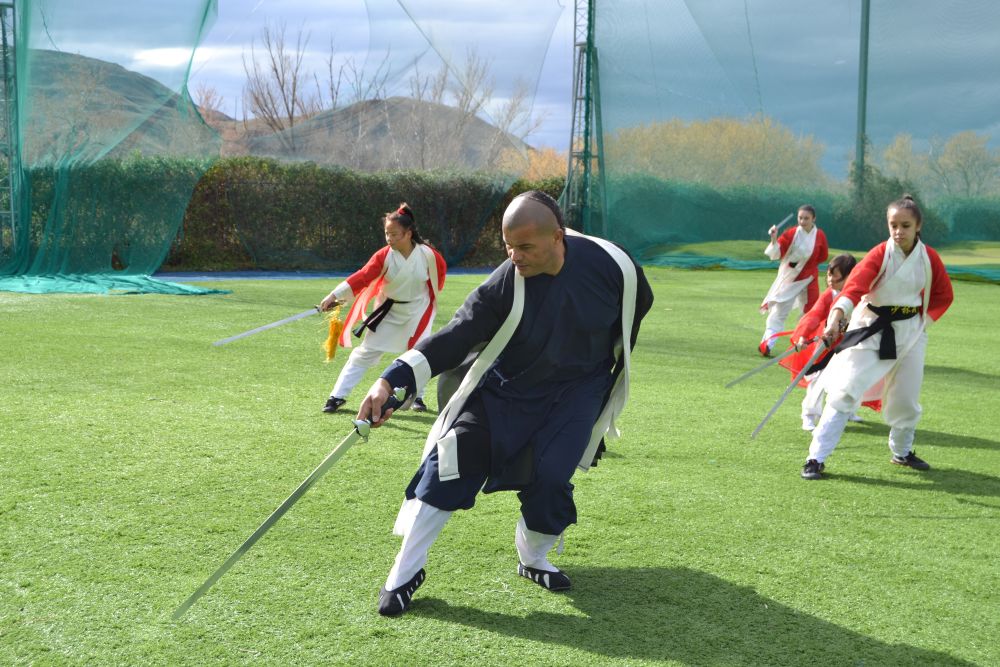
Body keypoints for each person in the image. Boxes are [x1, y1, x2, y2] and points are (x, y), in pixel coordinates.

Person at [356, 190, 654, 616]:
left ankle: (533, 558)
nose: (515, 256)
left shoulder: (616, 267)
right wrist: (390, 381)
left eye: (526, 247)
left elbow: (636, 308)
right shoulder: (505, 281)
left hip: (575, 393)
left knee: (552, 478)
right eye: (508, 246)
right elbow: (457, 334)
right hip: (505, 389)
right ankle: (405, 571)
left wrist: (598, 371)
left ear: (559, 237)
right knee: (451, 458)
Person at [801, 195, 953, 480]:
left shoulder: (929, 258)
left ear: (918, 225)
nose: (899, 231)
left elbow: (945, 295)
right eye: (893, 225)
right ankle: (815, 457)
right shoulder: (880, 254)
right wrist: (836, 317)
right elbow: (854, 288)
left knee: (906, 399)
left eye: (905, 225)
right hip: (870, 327)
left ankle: (902, 451)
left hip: (911, 332)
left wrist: (923, 323)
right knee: (845, 391)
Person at [318, 203, 446, 413]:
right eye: (387, 234)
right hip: (389, 311)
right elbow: (363, 276)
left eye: (395, 234)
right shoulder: (384, 256)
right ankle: (337, 396)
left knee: (419, 354)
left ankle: (418, 398)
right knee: (364, 353)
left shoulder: (429, 255)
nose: (390, 239)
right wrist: (335, 295)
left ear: (408, 233)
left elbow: (438, 279)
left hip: (419, 311)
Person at [780, 253, 874, 431]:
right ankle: (809, 415)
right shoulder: (829, 295)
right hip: (826, 347)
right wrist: (803, 336)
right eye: (829, 275)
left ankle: (848, 410)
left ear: (850, 277)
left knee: (852, 379)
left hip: (851, 346)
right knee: (818, 380)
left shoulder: (863, 297)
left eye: (836, 277)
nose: (830, 280)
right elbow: (814, 315)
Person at [759, 205, 829, 356]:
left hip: (809, 279)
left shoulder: (820, 235)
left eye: (806, 218)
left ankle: (805, 345)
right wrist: (773, 237)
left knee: (811, 311)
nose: (803, 221)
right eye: (800, 218)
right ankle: (767, 343)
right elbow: (777, 252)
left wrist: (807, 267)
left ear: (813, 219)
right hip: (790, 278)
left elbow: (823, 256)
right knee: (780, 311)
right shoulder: (791, 233)